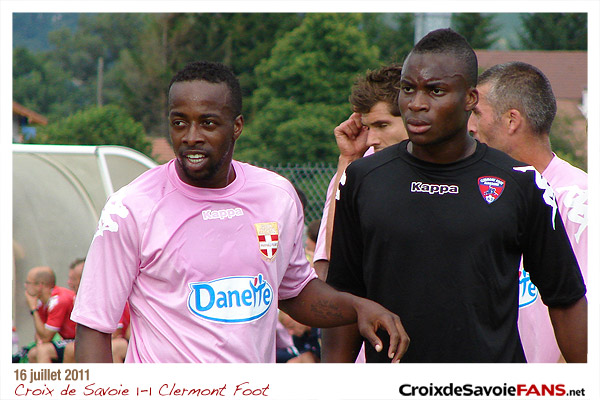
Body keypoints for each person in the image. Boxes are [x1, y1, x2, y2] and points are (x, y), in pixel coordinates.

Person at [71, 61, 408, 363]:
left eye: (208, 123)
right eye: (179, 123)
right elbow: (94, 326)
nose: (191, 137)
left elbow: (295, 292)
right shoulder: (130, 208)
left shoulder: (276, 196)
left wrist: (358, 307)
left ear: (237, 126)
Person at [323, 28, 587, 363]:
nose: (417, 104)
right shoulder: (364, 178)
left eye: (436, 91)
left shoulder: (521, 182)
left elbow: (566, 298)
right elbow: (343, 296)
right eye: (408, 89)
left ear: (470, 99)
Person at [467, 61, 588, 362]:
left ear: (511, 121)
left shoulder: (580, 200)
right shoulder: (482, 194)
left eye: (477, 113)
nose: (469, 126)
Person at [313, 64, 408, 281]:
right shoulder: (356, 170)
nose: (372, 139)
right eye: (368, 127)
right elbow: (335, 254)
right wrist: (348, 159)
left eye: (382, 125)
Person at [24, 266, 76, 363]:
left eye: (28, 283)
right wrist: (35, 309)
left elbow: (46, 338)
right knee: (33, 353)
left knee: (43, 351)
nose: (25, 286)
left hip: (80, 340)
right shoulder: (42, 302)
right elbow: (40, 336)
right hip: (69, 340)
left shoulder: (59, 300)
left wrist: (33, 310)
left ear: (40, 285)